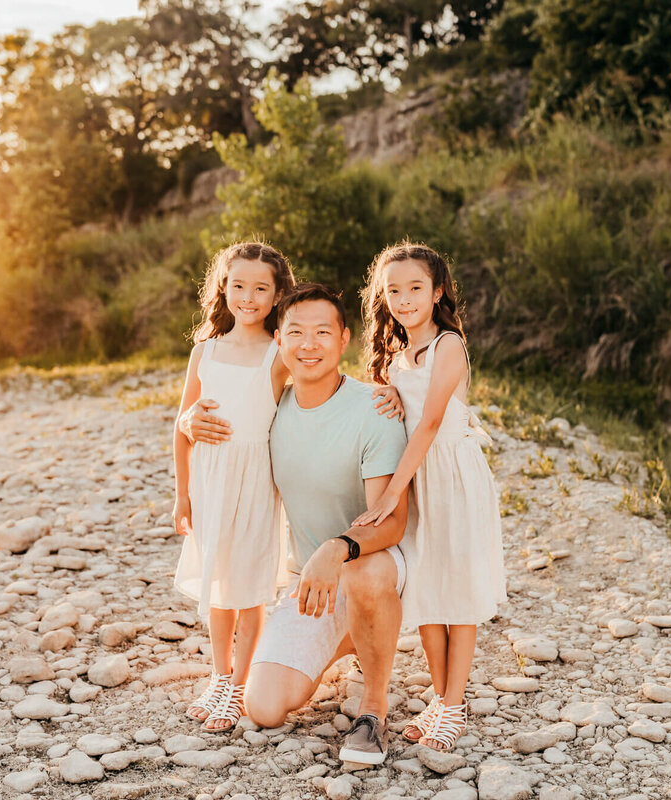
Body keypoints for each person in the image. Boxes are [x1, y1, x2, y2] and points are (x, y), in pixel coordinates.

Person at [184, 282, 410, 766]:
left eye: (323, 332)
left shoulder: (374, 410)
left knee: (363, 573)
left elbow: (391, 526)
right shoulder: (271, 409)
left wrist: (336, 548)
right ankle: (353, 635)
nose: (310, 345)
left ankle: (373, 707)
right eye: (296, 333)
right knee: (263, 708)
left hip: (376, 567)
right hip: (311, 583)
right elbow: (210, 422)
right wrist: (186, 423)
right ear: (279, 343)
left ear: (344, 338)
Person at [353, 241, 507, 751]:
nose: (404, 298)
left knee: (457, 594)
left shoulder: (448, 345)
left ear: (437, 291)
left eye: (415, 288)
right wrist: (392, 393)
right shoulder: (398, 356)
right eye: (393, 290)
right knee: (426, 591)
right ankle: (441, 699)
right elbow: (405, 410)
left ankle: (455, 705)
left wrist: (390, 496)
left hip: (452, 478)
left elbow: (433, 422)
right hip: (420, 481)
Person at [170, 241, 295, 732]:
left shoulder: (279, 354)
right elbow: (182, 424)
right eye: (238, 285)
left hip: (256, 482)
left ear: (276, 293)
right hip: (211, 481)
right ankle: (219, 676)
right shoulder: (206, 351)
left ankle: (241, 684)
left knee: (249, 589)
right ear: (222, 288)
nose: (248, 296)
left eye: (260, 288)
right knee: (219, 585)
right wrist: (182, 493)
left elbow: (321, 387)